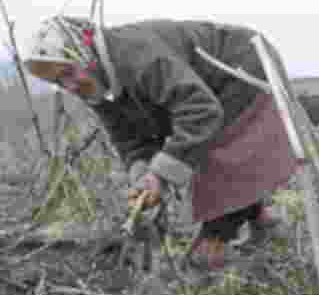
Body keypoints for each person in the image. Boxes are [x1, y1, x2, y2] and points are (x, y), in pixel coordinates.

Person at [24, 16, 298, 270]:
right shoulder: (95, 83)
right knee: (200, 147)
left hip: (242, 64)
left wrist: (161, 174)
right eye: (60, 81)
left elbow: (200, 110)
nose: (70, 86)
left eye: (69, 73)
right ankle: (264, 221)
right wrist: (142, 173)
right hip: (212, 86)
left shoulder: (137, 56)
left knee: (220, 154)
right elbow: (128, 138)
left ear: (85, 56)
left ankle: (214, 244)